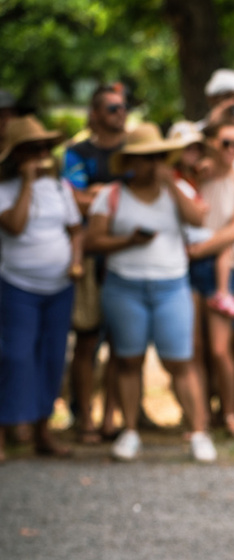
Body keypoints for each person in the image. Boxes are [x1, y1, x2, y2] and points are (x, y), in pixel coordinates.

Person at [85, 123, 214, 463]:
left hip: (172, 286)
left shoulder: (177, 189)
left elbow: (198, 220)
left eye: (158, 156)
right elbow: (92, 241)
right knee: (129, 360)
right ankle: (129, 431)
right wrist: (128, 241)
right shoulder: (111, 194)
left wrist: (171, 183)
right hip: (124, 286)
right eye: (144, 158)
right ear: (130, 161)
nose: (152, 164)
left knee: (180, 361)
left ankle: (198, 432)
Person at [0, 116, 82, 461]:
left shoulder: (61, 188)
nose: (41, 154)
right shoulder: (5, 189)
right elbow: (15, 226)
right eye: (32, 149)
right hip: (18, 287)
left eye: (44, 148)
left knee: (52, 358)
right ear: (16, 155)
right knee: (15, 357)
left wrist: (76, 261)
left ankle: (42, 431)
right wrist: (27, 183)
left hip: (59, 288)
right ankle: (5, 431)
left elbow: (75, 230)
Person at [62, 83, 128, 445]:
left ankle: (110, 419)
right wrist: (115, 197)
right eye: (112, 108)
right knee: (87, 340)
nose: (121, 113)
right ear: (95, 114)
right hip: (89, 258)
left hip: (126, 256)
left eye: (123, 107)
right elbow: (73, 200)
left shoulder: (133, 150)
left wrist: (96, 194)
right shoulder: (77, 152)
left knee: (122, 343)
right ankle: (84, 418)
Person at [196, 116, 234, 438]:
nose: (232, 149)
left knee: (221, 349)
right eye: (226, 143)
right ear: (211, 143)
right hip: (193, 266)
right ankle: (201, 414)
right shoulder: (198, 174)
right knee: (196, 347)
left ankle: (230, 413)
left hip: (221, 265)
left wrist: (198, 250)